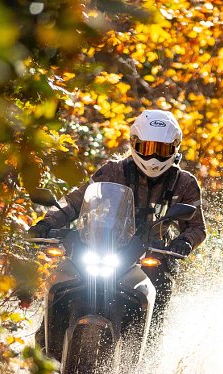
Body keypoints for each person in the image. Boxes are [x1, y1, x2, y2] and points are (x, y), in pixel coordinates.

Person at [28, 109, 206, 315]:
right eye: (147, 148)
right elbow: (74, 202)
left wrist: (184, 242)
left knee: (160, 291)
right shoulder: (113, 171)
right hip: (104, 247)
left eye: (161, 150)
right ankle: (46, 333)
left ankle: (151, 336)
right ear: (134, 143)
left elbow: (197, 227)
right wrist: (47, 223)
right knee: (62, 282)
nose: (153, 157)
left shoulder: (185, 182)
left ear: (175, 147)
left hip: (153, 254)